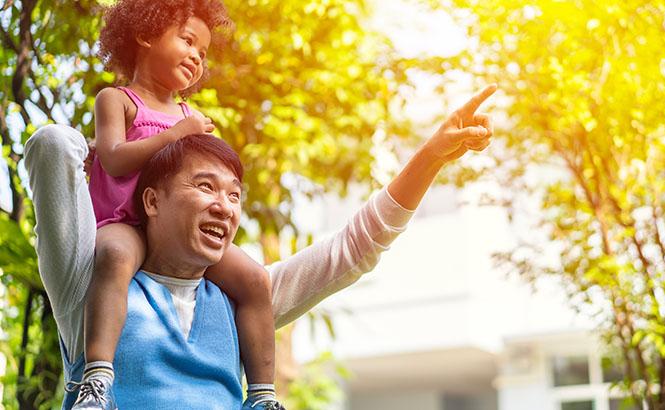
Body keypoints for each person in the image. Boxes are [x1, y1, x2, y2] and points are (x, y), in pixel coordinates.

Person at [24, 82, 496, 408]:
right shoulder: (90, 287)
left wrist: (431, 157)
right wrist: (107, 152)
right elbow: (51, 147)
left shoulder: (243, 300)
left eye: (234, 195)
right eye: (205, 187)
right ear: (152, 200)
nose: (225, 207)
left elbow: (356, 246)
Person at [79, 1, 283, 408]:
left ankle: (262, 396)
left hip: (176, 230)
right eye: (187, 41)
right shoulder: (116, 100)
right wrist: (175, 135)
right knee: (115, 257)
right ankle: (97, 379)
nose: (196, 57)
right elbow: (115, 157)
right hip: (127, 221)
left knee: (257, 280)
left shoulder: (189, 115)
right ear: (145, 35)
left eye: (203, 53)